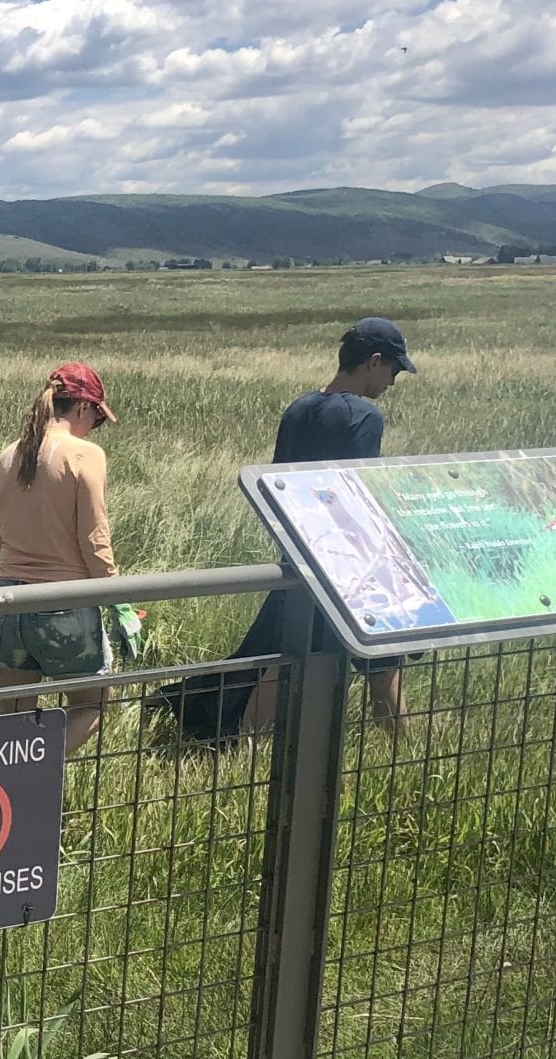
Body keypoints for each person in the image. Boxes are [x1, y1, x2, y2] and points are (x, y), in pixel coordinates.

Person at [170, 318, 416, 744]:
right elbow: (357, 497)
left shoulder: (298, 409)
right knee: (383, 665)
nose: (392, 383)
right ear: (373, 362)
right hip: (351, 568)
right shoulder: (365, 417)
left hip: (299, 557)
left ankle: (243, 749)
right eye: (393, 371)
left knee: (280, 663)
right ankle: (404, 751)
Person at [0, 363, 118, 753]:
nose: (95, 426)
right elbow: (95, 540)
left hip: (6, 602)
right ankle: (37, 771)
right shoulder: (85, 455)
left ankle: (9, 790)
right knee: (93, 706)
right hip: (65, 605)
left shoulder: (8, 455)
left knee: (13, 720)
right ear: (82, 408)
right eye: (97, 417)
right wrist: (118, 598)